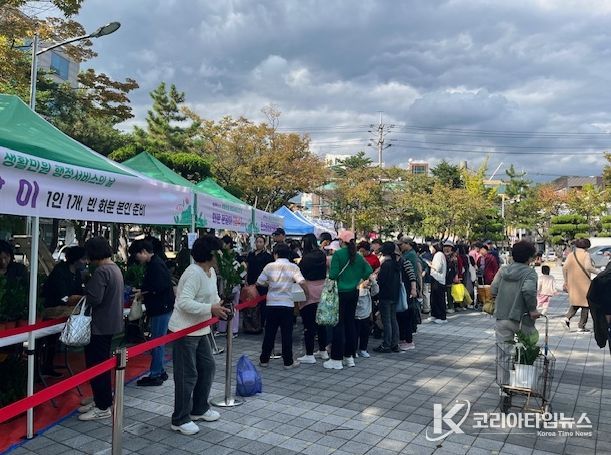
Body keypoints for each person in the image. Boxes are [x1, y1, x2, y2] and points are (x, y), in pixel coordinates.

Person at [169, 236, 231, 436]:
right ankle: (180, 418)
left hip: (201, 329)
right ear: (211, 253)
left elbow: (213, 298)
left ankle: (199, 408)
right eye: (219, 252)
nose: (222, 255)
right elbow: (183, 302)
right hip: (185, 331)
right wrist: (210, 308)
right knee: (187, 374)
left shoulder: (210, 272)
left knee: (207, 367)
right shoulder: (193, 273)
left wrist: (220, 306)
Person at [77, 237, 124, 421]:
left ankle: (102, 406)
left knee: (97, 365)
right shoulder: (114, 268)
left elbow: (95, 298)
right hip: (110, 323)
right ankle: (101, 399)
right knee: (102, 364)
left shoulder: (102, 271)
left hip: (99, 325)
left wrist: (85, 290)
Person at [324, 231, 373, 369]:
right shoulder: (358, 256)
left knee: (338, 325)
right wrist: (357, 280)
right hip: (354, 292)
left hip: (340, 293)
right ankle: (349, 357)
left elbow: (333, 275)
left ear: (341, 241)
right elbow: (368, 270)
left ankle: (336, 359)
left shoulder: (338, 255)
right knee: (350, 324)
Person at [131, 240, 175, 387]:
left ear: (144, 252)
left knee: (157, 341)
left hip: (160, 308)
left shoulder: (155, 265)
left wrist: (144, 292)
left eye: (137, 255)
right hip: (162, 307)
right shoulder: (156, 263)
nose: (136, 258)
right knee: (158, 341)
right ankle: (159, 370)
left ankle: (155, 373)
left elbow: (159, 287)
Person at [257, 243, 308, 369]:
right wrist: (307, 294)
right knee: (286, 334)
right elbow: (302, 282)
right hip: (287, 304)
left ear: (275, 254)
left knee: (269, 333)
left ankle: (264, 360)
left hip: (272, 303)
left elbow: (259, 282)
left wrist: (270, 285)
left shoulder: (269, 266)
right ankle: (288, 362)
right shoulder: (293, 267)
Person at [41, 246, 86, 377]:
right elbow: (62, 296)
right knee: (50, 340)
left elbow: (77, 292)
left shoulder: (76, 273)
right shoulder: (60, 271)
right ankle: (45, 365)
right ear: (76, 259)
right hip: (53, 309)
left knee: (53, 340)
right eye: (83, 259)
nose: (85, 262)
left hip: (65, 309)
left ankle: (48, 365)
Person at [492, 240, 540, 345]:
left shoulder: (503, 270)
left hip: (502, 316)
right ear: (529, 258)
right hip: (523, 318)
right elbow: (528, 290)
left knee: (503, 350)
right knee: (527, 348)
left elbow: (493, 289)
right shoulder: (530, 273)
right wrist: (532, 309)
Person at [297, 234, 328, 363]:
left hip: (308, 290)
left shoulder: (306, 258)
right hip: (322, 289)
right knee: (321, 324)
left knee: (309, 325)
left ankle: (309, 354)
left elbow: (300, 273)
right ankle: (323, 351)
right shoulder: (322, 255)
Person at [563, 238, 597, 332]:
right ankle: (581, 326)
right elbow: (588, 267)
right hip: (584, 283)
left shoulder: (571, 255)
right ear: (586, 246)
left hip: (573, 282)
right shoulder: (586, 254)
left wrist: (566, 281)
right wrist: (598, 272)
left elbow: (564, 268)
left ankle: (566, 318)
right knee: (586, 304)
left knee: (577, 302)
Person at [374, 242, 402, 353]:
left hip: (385, 295)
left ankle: (386, 344)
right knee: (393, 319)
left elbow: (381, 281)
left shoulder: (386, 265)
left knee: (386, 321)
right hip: (395, 294)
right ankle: (395, 344)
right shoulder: (396, 263)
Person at [244, 236, 273, 332]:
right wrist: (246, 279)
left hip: (262, 283)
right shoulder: (251, 254)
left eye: (260, 242)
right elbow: (247, 268)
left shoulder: (267, 256)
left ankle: (261, 323)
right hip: (251, 282)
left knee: (262, 304)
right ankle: (250, 323)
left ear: (264, 243)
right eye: (257, 242)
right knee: (250, 303)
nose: (258, 244)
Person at [397, 249, 418, 351]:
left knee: (406, 316)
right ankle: (403, 339)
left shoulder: (405, 262)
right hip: (401, 293)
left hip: (406, 293)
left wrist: (413, 289)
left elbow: (412, 277)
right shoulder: (396, 263)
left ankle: (409, 341)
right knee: (401, 316)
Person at [355, 275, 378, 358]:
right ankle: (353, 350)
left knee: (365, 332)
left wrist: (373, 282)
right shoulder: (357, 288)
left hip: (366, 314)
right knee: (355, 333)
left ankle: (363, 349)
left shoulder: (368, 290)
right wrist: (361, 286)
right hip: (356, 314)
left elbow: (376, 291)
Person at [429, 243, 448, 324]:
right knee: (434, 298)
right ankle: (435, 315)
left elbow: (438, 267)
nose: (430, 249)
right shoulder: (438, 254)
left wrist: (430, 264)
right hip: (436, 278)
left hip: (438, 279)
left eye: (431, 247)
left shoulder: (438, 255)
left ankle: (442, 317)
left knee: (439, 298)